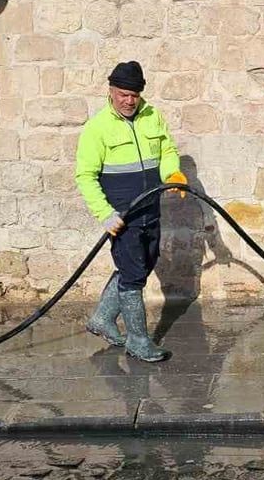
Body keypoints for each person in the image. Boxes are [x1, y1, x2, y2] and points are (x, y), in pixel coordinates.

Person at [75, 61, 188, 362]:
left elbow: (167, 151)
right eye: (123, 94)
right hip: (122, 217)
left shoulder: (153, 117)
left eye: (134, 95)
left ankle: (101, 318)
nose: (128, 100)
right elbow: (85, 176)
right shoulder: (97, 128)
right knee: (134, 274)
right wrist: (104, 213)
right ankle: (138, 340)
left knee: (143, 263)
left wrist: (173, 174)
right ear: (111, 91)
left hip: (151, 207)